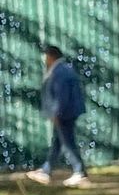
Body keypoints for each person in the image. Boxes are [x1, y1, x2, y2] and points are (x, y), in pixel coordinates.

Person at [31, 45, 86, 186]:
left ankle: (80, 171)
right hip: (65, 112)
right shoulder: (62, 70)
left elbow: (62, 95)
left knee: (67, 143)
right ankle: (46, 170)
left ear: (51, 56)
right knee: (57, 142)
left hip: (64, 113)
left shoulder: (60, 71)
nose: (45, 60)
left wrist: (57, 112)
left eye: (46, 57)